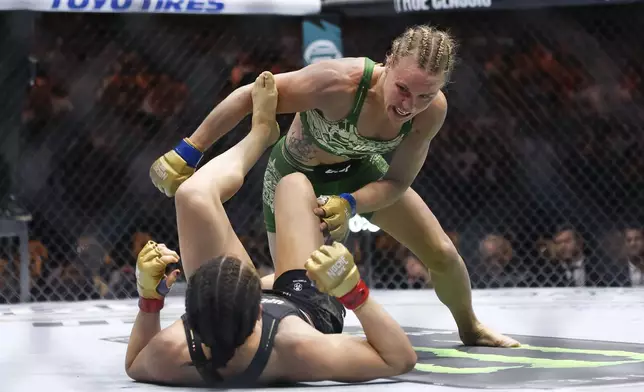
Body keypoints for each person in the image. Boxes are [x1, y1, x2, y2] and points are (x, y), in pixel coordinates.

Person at [149, 25, 519, 347]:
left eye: (425, 95)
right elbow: (253, 94)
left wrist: (350, 203)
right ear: (388, 62)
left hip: (361, 174)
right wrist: (189, 150)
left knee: (443, 254)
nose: (409, 105)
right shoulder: (340, 82)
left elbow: (398, 181)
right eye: (404, 89)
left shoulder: (433, 111)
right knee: (296, 292)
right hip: (296, 178)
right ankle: (265, 280)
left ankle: (470, 327)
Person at [125, 72, 417, 387]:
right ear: (260, 312)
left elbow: (134, 363)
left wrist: (150, 301)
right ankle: (270, 143)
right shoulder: (298, 348)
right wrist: (353, 292)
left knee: (191, 196)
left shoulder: (174, 352)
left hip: (229, 307)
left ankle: (260, 134)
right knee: (292, 184)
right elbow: (398, 358)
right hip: (305, 301)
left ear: (189, 319)